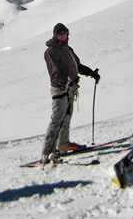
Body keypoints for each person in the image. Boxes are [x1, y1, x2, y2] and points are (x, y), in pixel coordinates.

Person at [42, 23, 100, 163]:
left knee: (66, 118)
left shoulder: (68, 49)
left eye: (65, 33)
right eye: (60, 33)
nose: (63, 36)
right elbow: (55, 72)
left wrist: (91, 73)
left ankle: (63, 145)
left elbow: (77, 66)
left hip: (70, 89)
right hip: (60, 89)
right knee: (57, 120)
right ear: (55, 35)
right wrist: (66, 83)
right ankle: (47, 152)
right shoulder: (51, 51)